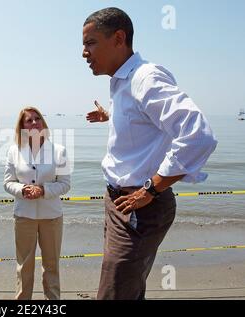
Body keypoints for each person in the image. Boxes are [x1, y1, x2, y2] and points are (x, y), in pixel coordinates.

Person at [82, 8, 217, 300]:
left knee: (114, 294)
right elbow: (140, 119)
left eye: (90, 42)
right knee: (129, 290)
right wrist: (109, 114)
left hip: (140, 206)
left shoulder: (146, 78)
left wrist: (152, 188)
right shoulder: (120, 81)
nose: (84, 52)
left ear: (119, 38)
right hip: (118, 200)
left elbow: (198, 134)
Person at [3, 107, 71, 300]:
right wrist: (23, 190)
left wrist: (43, 190)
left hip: (52, 217)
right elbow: (8, 183)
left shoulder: (59, 151)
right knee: (24, 265)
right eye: (29, 120)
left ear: (43, 122)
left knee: (51, 265)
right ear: (22, 126)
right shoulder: (13, 151)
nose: (34, 123)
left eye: (37, 118)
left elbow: (65, 185)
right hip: (24, 216)